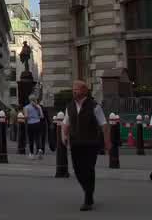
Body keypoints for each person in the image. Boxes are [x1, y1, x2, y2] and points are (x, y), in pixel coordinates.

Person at [60, 79, 112, 211]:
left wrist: (107, 142)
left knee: (89, 169)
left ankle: (88, 198)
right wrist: (64, 136)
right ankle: (88, 190)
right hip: (75, 143)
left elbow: (104, 125)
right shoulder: (70, 106)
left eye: (76, 89)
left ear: (84, 91)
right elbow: (66, 124)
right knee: (78, 170)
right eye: (73, 89)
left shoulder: (95, 106)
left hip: (91, 143)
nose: (74, 92)